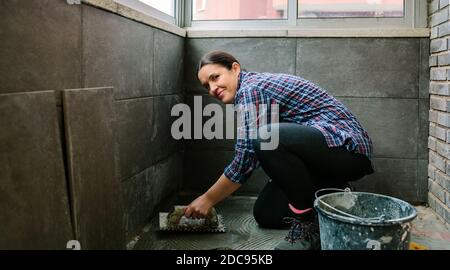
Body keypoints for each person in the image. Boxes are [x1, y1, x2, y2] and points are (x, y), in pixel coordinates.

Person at [184, 51, 374, 250]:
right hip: (323, 156)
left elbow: (246, 159)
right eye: (207, 85)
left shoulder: (251, 89)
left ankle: (308, 225)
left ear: (235, 68)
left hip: (347, 148)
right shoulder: (248, 92)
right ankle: (334, 192)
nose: (213, 88)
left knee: (265, 136)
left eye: (215, 77)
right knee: (266, 214)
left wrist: (208, 199)